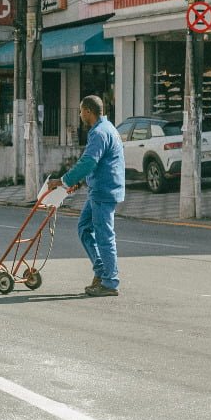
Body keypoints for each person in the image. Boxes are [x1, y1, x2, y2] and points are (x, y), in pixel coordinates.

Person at [48, 95, 125, 297]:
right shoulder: (107, 129)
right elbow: (96, 163)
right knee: (84, 227)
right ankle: (101, 271)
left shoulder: (99, 132)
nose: (80, 114)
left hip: (103, 191)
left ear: (89, 111)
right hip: (100, 188)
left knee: (104, 236)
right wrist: (79, 182)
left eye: (81, 110)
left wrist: (64, 181)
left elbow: (88, 162)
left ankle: (110, 281)